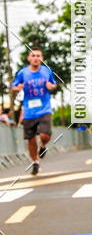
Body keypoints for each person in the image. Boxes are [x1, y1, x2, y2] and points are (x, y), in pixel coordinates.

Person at [11, 47, 57, 175]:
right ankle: (35, 162)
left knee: (45, 135)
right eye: (33, 55)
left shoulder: (47, 71)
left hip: (44, 109)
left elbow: (54, 84)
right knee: (30, 139)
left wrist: (51, 86)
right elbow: (13, 86)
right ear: (29, 58)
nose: (36, 58)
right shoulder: (22, 73)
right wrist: (17, 88)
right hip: (29, 111)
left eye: (38, 56)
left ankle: (43, 145)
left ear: (42, 58)